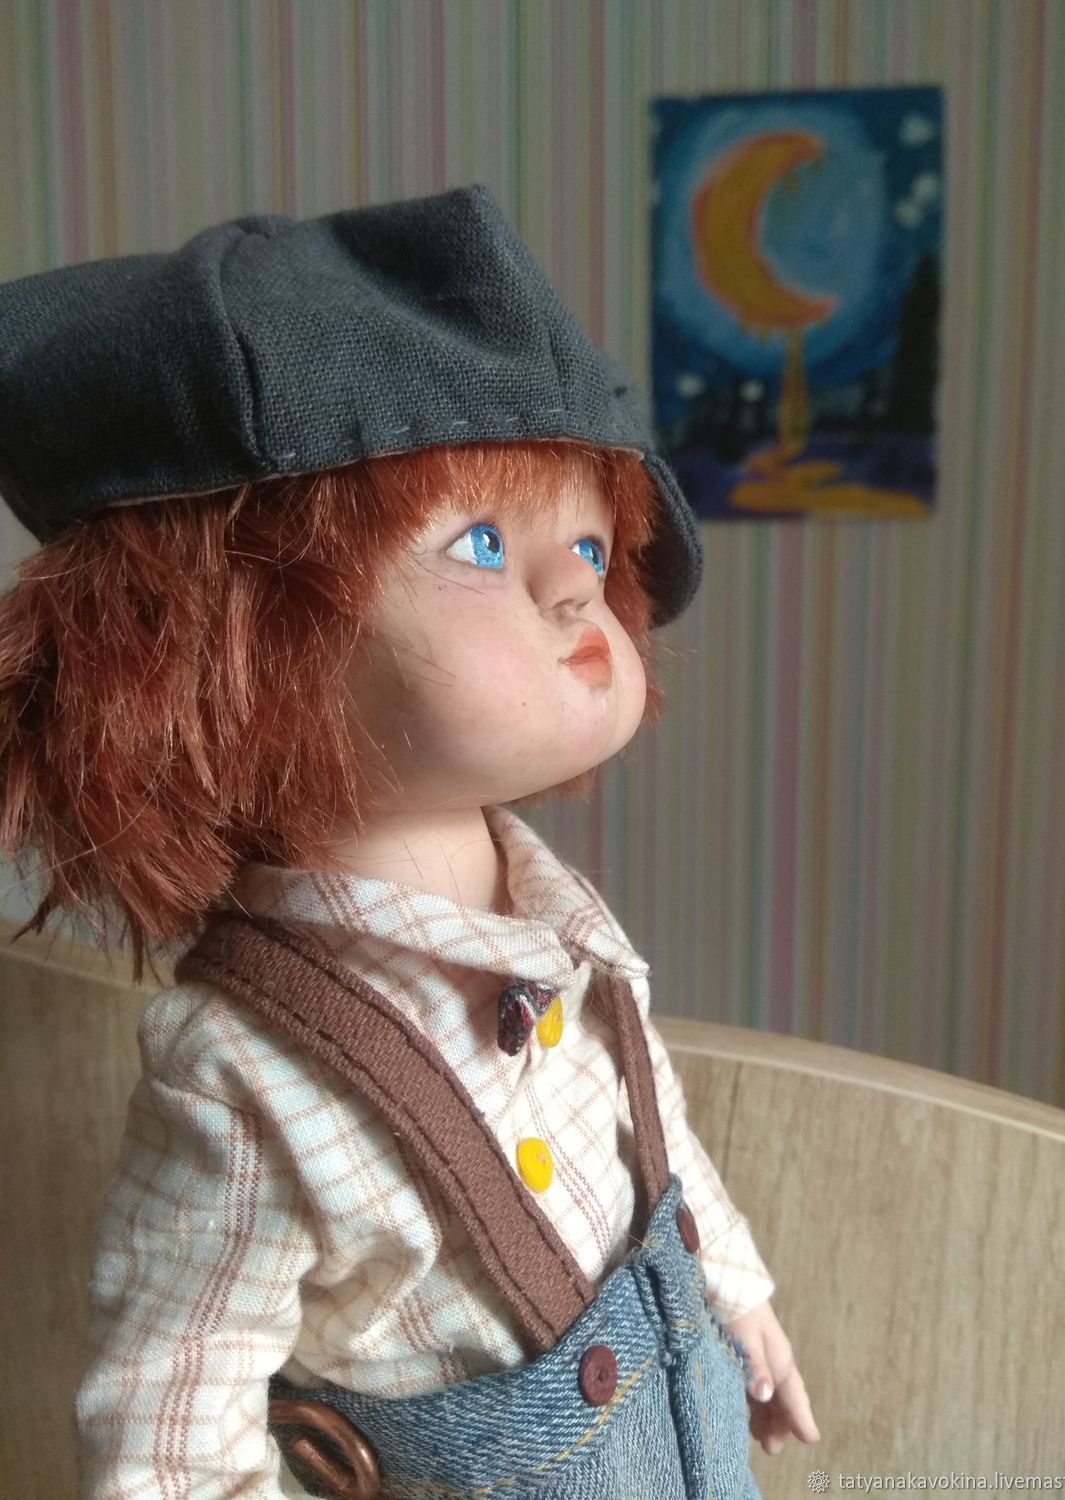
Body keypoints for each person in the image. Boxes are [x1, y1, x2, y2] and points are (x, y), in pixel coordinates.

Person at [0, 185, 819, 1498]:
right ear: (231, 641)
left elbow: (649, 1135)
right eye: (482, 544)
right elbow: (169, 1435)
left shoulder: (558, 928)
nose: (577, 587)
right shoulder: (247, 1075)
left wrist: (734, 1290)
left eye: (590, 539)